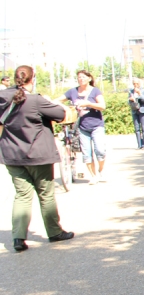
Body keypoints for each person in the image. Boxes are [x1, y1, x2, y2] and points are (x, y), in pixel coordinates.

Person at [0, 65, 75, 252]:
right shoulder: (35, 100)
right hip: (37, 155)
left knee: (22, 195)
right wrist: (50, 101)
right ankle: (54, 232)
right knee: (46, 194)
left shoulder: (3, 98)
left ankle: (18, 238)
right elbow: (61, 114)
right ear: (32, 79)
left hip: (11, 154)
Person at [61, 69, 107, 185]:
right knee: (87, 154)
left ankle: (101, 170)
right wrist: (64, 107)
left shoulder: (95, 91)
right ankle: (93, 176)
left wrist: (89, 104)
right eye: (79, 77)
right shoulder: (73, 92)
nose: (81, 79)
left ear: (89, 78)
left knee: (100, 150)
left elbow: (102, 106)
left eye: (83, 77)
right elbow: (57, 100)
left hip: (96, 125)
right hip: (82, 126)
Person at [128, 79, 144, 149]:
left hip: (142, 111)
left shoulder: (143, 91)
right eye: (134, 83)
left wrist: (140, 94)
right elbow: (128, 102)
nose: (135, 85)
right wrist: (130, 100)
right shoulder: (131, 91)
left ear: (139, 84)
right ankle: (139, 144)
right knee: (137, 129)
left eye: (137, 83)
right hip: (134, 111)